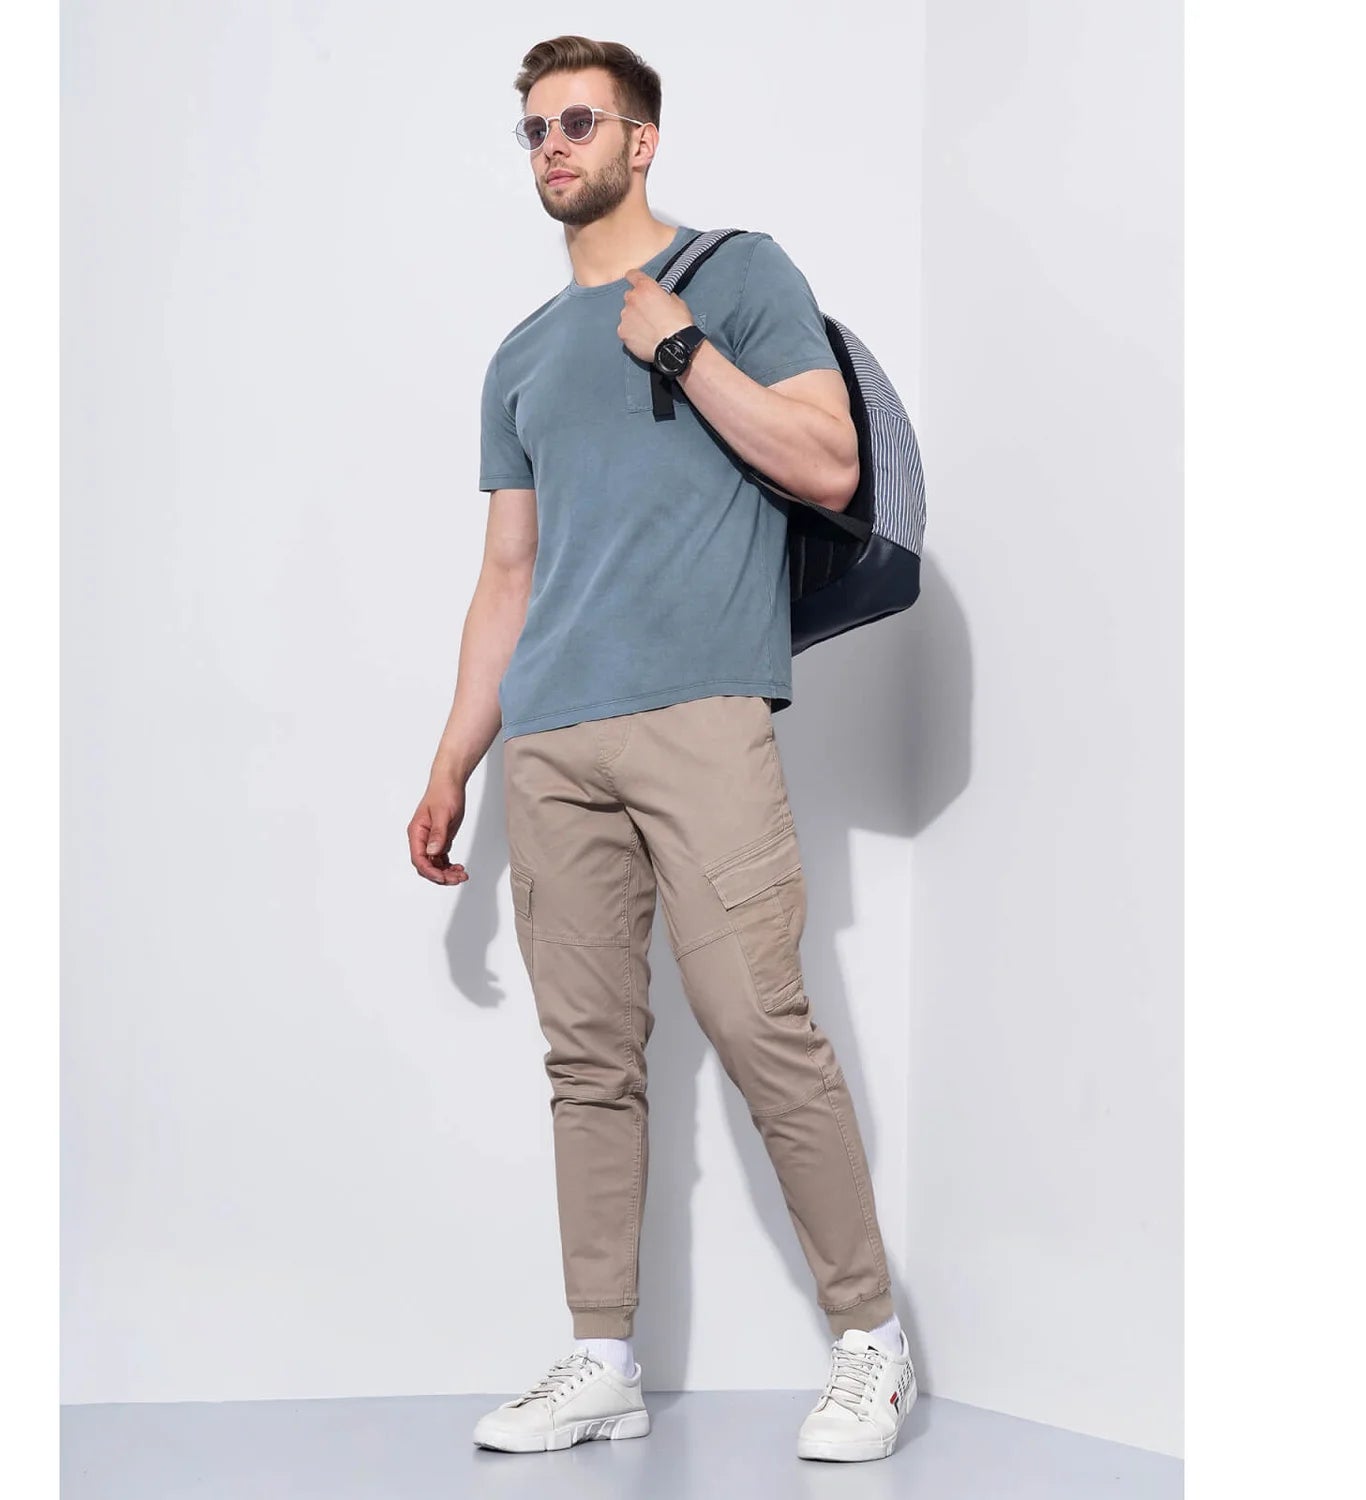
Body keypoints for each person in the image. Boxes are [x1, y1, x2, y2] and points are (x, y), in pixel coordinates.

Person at [407, 35, 918, 1463]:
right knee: (588, 1061)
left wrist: (683, 351)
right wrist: (453, 762)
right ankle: (602, 1361)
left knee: (761, 1024)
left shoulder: (737, 276)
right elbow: (508, 576)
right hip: (551, 741)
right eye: (533, 129)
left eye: (578, 121)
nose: (552, 146)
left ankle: (871, 1342)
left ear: (640, 141)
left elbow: (828, 462)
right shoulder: (519, 356)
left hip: (703, 714)